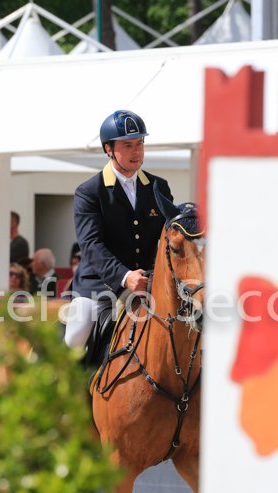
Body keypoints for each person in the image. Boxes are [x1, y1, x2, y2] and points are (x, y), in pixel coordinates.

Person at [64, 109, 174, 349]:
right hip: (99, 285)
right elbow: (91, 245)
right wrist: (125, 277)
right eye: (128, 145)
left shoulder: (158, 187)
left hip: (147, 283)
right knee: (75, 337)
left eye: (139, 144)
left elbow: (170, 237)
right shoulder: (89, 192)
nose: (136, 151)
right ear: (109, 149)